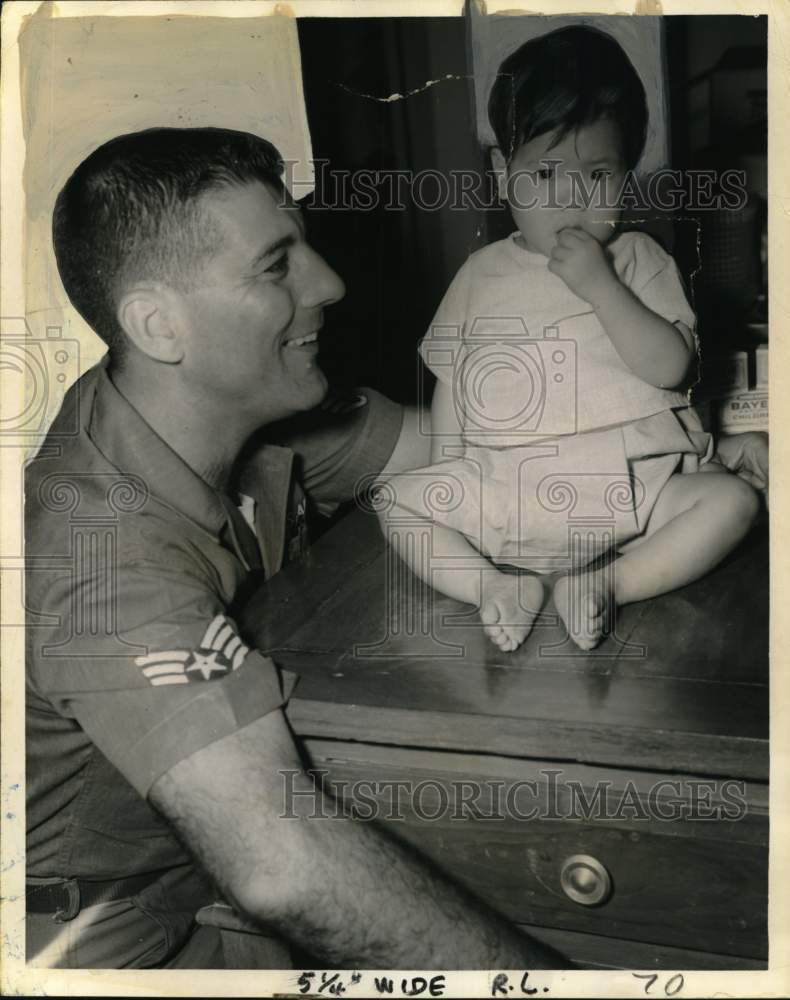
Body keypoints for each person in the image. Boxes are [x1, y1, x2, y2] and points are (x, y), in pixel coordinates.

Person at [24, 127, 578, 970]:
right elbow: (283, 869)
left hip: (211, 865)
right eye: (277, 265)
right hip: (102, 944)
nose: (329, 282)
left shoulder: (241, 412)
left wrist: (694, 449)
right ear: (158, 324)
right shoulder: (105, 559)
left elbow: (476, 451)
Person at [380, 26, 763, 653]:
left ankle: (612, 583)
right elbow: (453, 379)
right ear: (504, 174)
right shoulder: (480, 273)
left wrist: (604, 290)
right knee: (396, 501)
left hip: (633, 490)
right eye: (546, 173)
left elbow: (671, 366)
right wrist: (454, 467)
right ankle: (491, 587)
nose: (572, 199)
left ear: (628, 174)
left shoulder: (639, 258)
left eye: (597, 174)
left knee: (732, 503)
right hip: (509, 488)